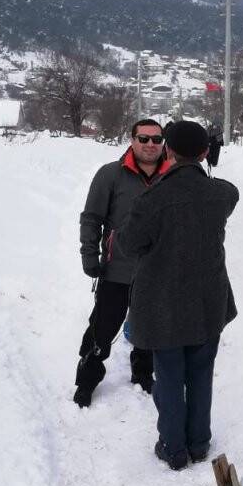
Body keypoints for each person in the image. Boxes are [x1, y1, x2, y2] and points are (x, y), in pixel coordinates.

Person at [116, 120, 239, 471]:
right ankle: (199, 443)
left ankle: (173, 447)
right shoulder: (221, 194)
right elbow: (229, 191)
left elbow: (128, 244)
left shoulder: (153, 199)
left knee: (169, 376)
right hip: (208, 303)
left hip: (163, 305)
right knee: (201, 372)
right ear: (204, 153)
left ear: (168, 150)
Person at [73, 119, 173, 408]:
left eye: (157, 140)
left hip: (157, 272)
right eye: (144, 139)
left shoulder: (172, 176)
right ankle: (86, 379)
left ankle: (143, 372)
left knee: (150, 327)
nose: (151, 145)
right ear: (131, 140)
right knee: (102, 328)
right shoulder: (110, 175)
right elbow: (92, 217)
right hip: (117, 269)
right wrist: (89, 256)